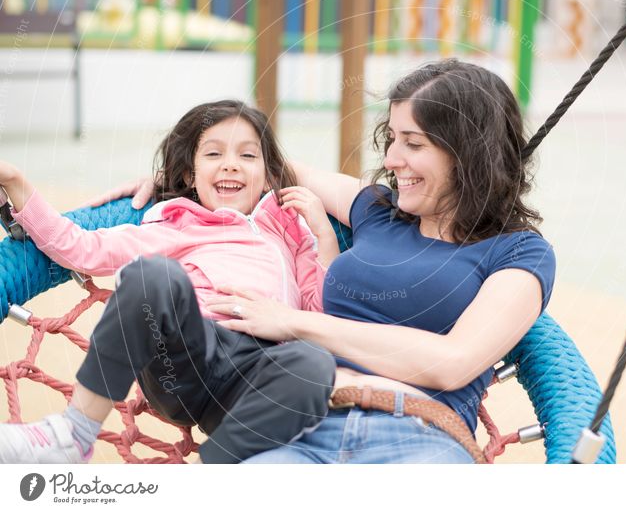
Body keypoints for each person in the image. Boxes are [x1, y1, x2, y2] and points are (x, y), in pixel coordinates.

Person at [84, 59, 556, 464]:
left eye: (413, 144)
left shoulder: (517, 252)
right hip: (298, 425)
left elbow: (452, 362)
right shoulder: (377, 210)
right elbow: (268, 168)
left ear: (469, 154)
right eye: (391, 139)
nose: (391, 158)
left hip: (417, 435)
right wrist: (174, 177)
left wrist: (294, 324)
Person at [0, 99, 338, 464]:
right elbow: (80, 248)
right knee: (153, 276)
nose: (230, 164)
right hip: (188, 358)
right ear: (190, 175)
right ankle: (73, 434)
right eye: (213, 153)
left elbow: (321, 315)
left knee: (316, 363)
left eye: (248, 155)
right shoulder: (176, 224)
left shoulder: (291, 234)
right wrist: (17, 184)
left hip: (262, 373)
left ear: (270, 175)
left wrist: (325, 236)